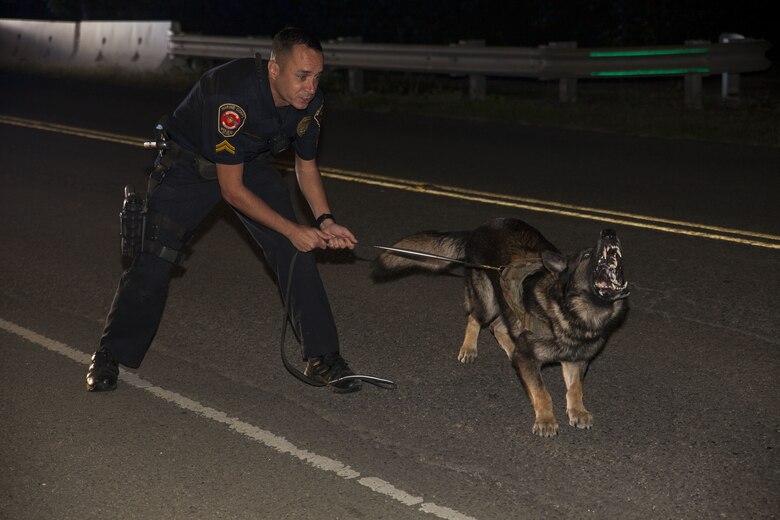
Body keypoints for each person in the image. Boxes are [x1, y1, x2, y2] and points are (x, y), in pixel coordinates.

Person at [86, 27, 363, 393]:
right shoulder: (232, 95)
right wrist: (294, 228)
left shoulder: (311, 102)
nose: (311, 87)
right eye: (302, 76)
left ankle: (323, 357)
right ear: (274, 70)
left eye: (316, 77)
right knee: (154, 258)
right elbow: (231, 191)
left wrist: (324, 220)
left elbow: (306, 166)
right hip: (190, 168)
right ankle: (109, 354)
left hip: (250, 163)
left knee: (295, 249)